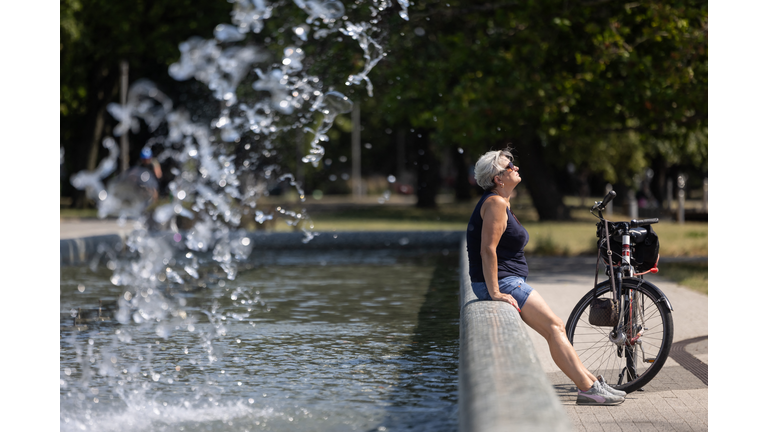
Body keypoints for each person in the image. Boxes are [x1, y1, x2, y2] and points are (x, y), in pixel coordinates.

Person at [466, 148, 626, 406]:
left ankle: (591, 382)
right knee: (554, 327)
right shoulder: (495, 203)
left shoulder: (501, 202)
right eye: (510, 166)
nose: (516, 168)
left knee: (556, 327)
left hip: (509, 280)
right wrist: (495, 291)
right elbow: (488, 250)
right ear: (498, 178)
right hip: (504, 282)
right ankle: (588, 389)